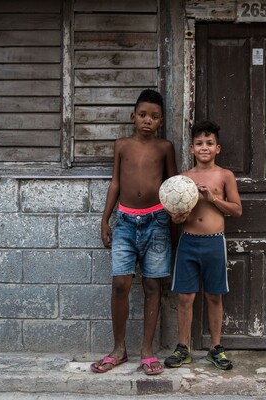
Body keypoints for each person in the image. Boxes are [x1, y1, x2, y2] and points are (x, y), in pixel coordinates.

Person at [91, 89, 177, 375]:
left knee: (153, 286)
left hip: (157, 222)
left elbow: (173, 186)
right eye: (142, 115)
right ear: (133, 117)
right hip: (125, 222)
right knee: (120, 283)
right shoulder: (122, 145)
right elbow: (115, 183)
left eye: (154, 117)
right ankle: (119, 349)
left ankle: (147, 351)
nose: (147, 121)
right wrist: (106, 220)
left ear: (161, 121)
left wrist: (176, 217)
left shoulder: (165, 147)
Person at [164, 120, 242, 370]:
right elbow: (178, 213)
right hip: (189, 242)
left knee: (214, 296)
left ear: (217, 148)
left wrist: (214, 198)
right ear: (191, 148)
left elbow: (237, 210)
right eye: (199, 143)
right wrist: (177, 218)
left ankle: (215, 348)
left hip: (213, 243)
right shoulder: (183, 179)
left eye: (209, 143)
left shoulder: (225, 175)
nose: (204, 147)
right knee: (185, 297)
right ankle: (183, 347)